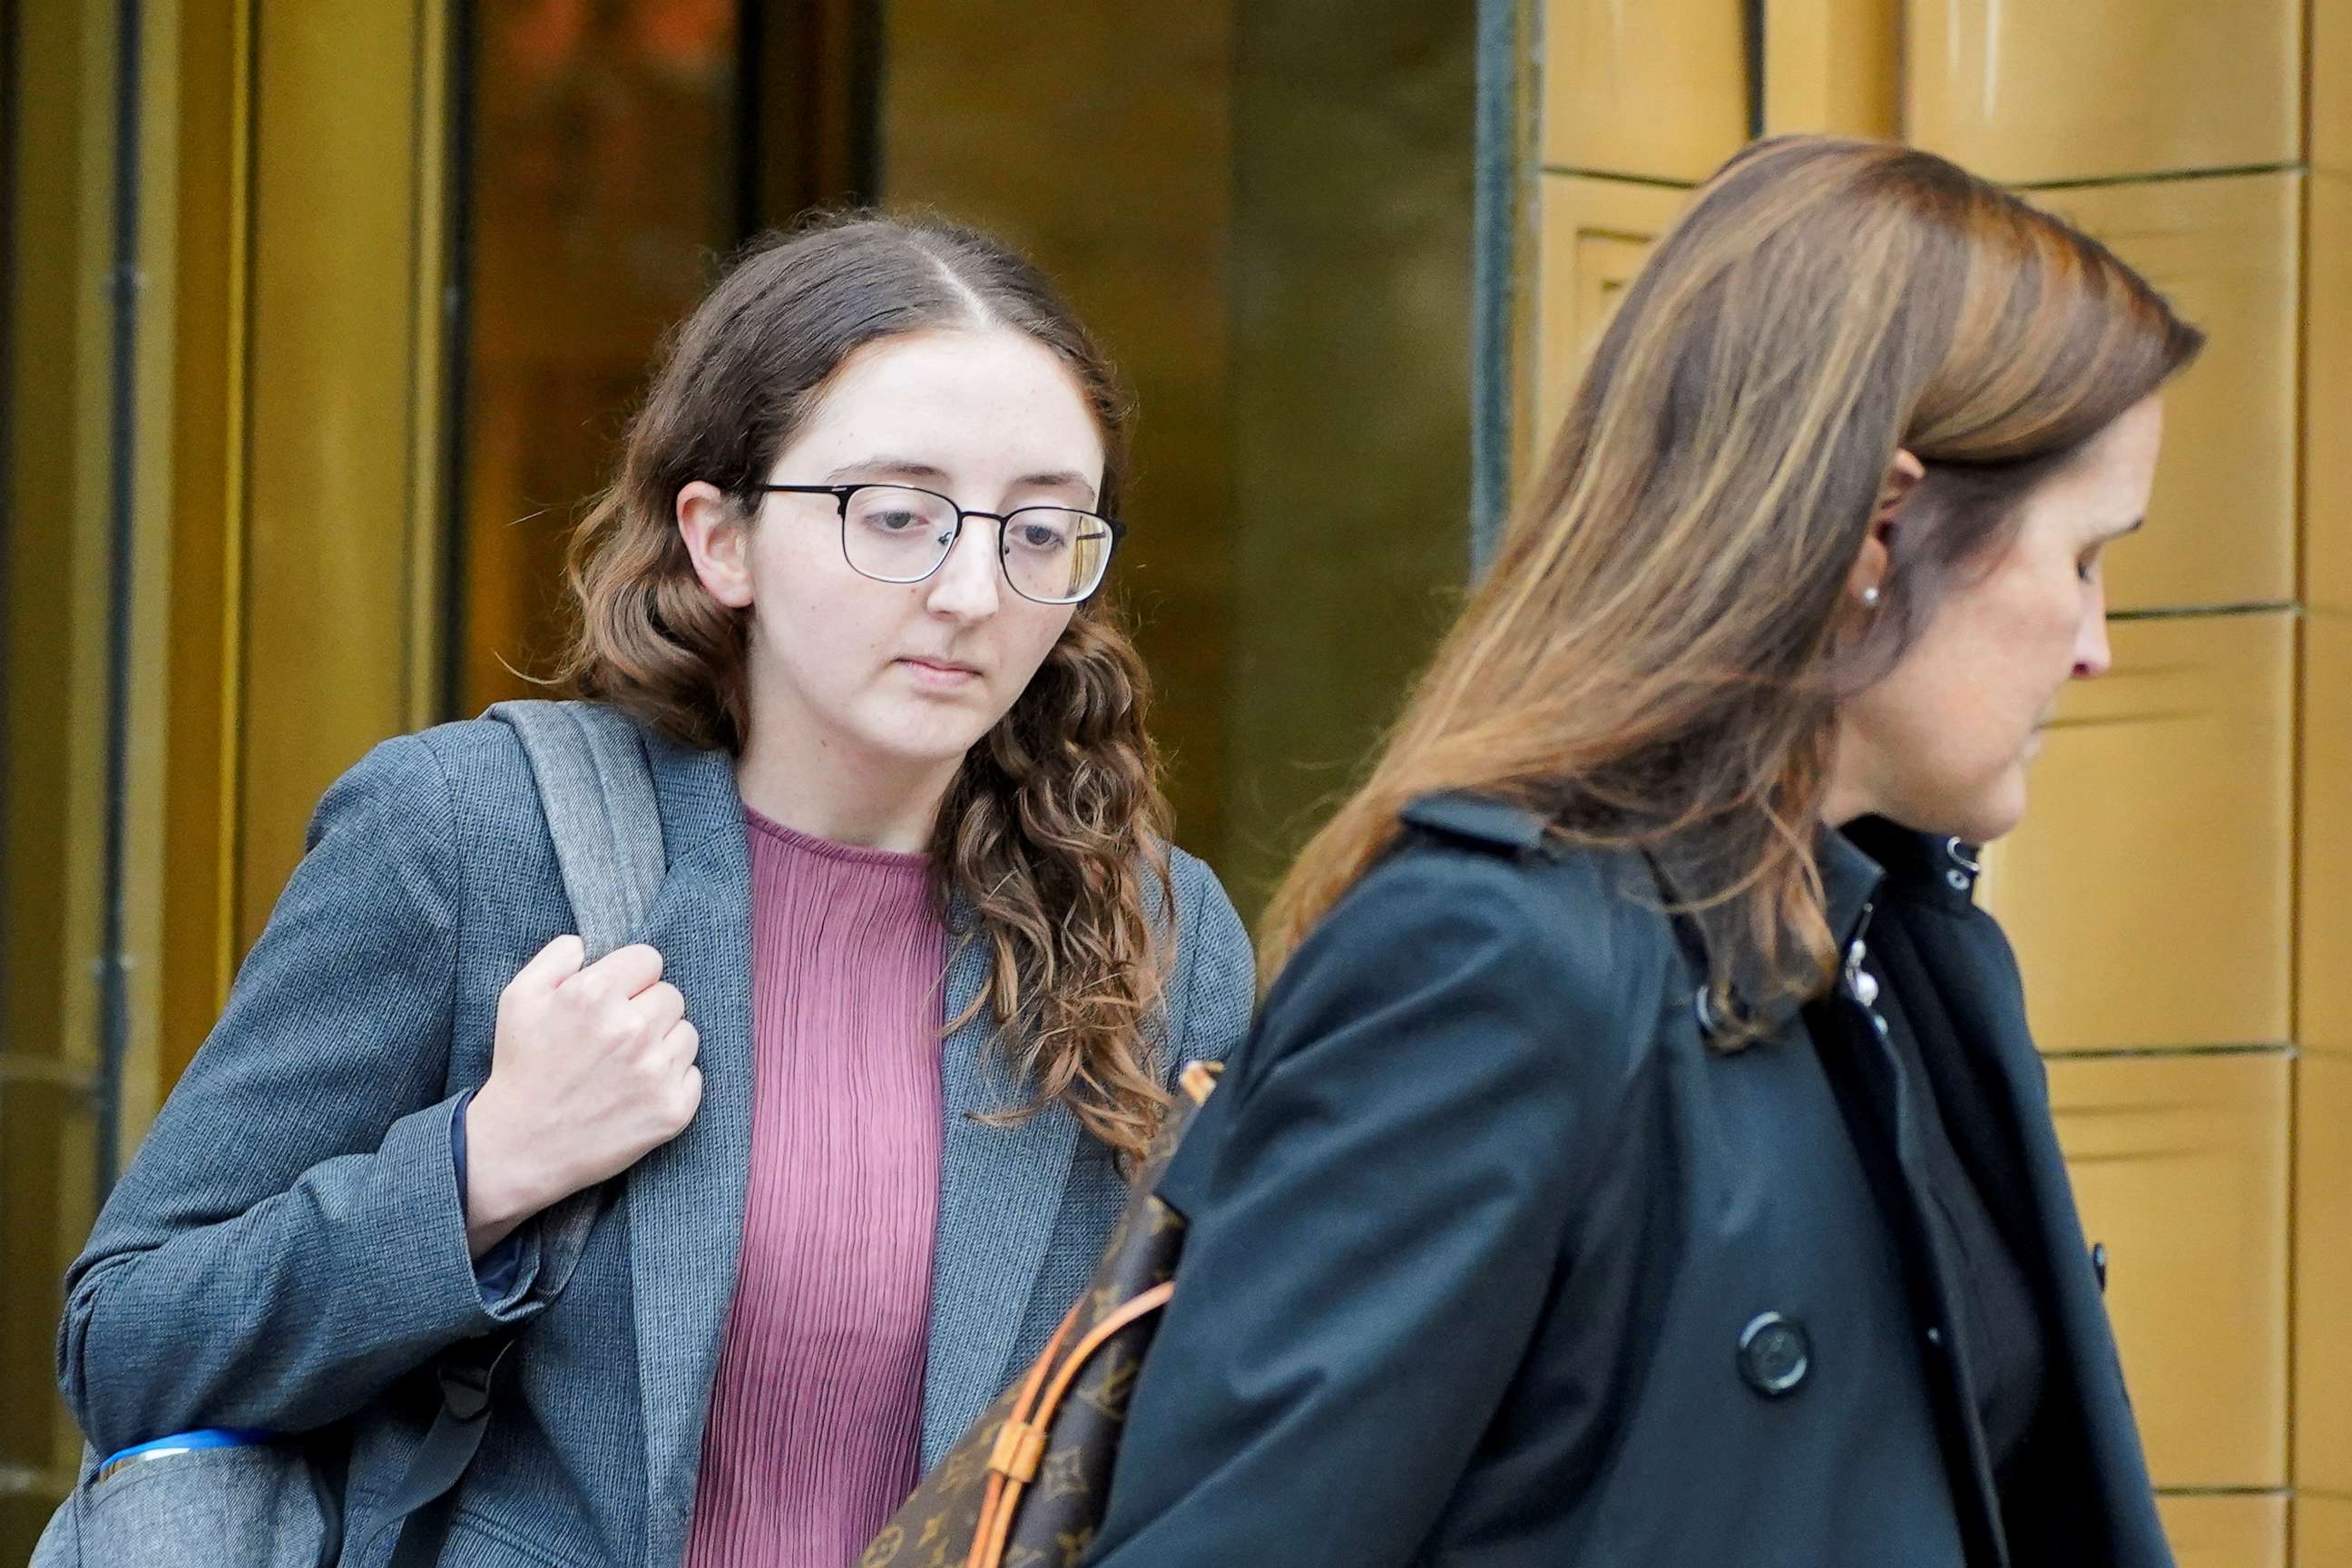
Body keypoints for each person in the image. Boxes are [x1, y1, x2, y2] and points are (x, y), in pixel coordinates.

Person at [56, 215, 1252, 1568]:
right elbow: (132, 1342)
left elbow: (1204, 1440)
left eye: (1041, 531)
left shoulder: (1156, 935)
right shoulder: (471, 833)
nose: (973, 591)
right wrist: (480, 1171)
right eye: (900, 516)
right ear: (720, 537)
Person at [1086, 135, 2200, 1568]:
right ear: (1880, 528)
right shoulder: (1491, 959)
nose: (2100, 647)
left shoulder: (1911, 959)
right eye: (2086, 558)